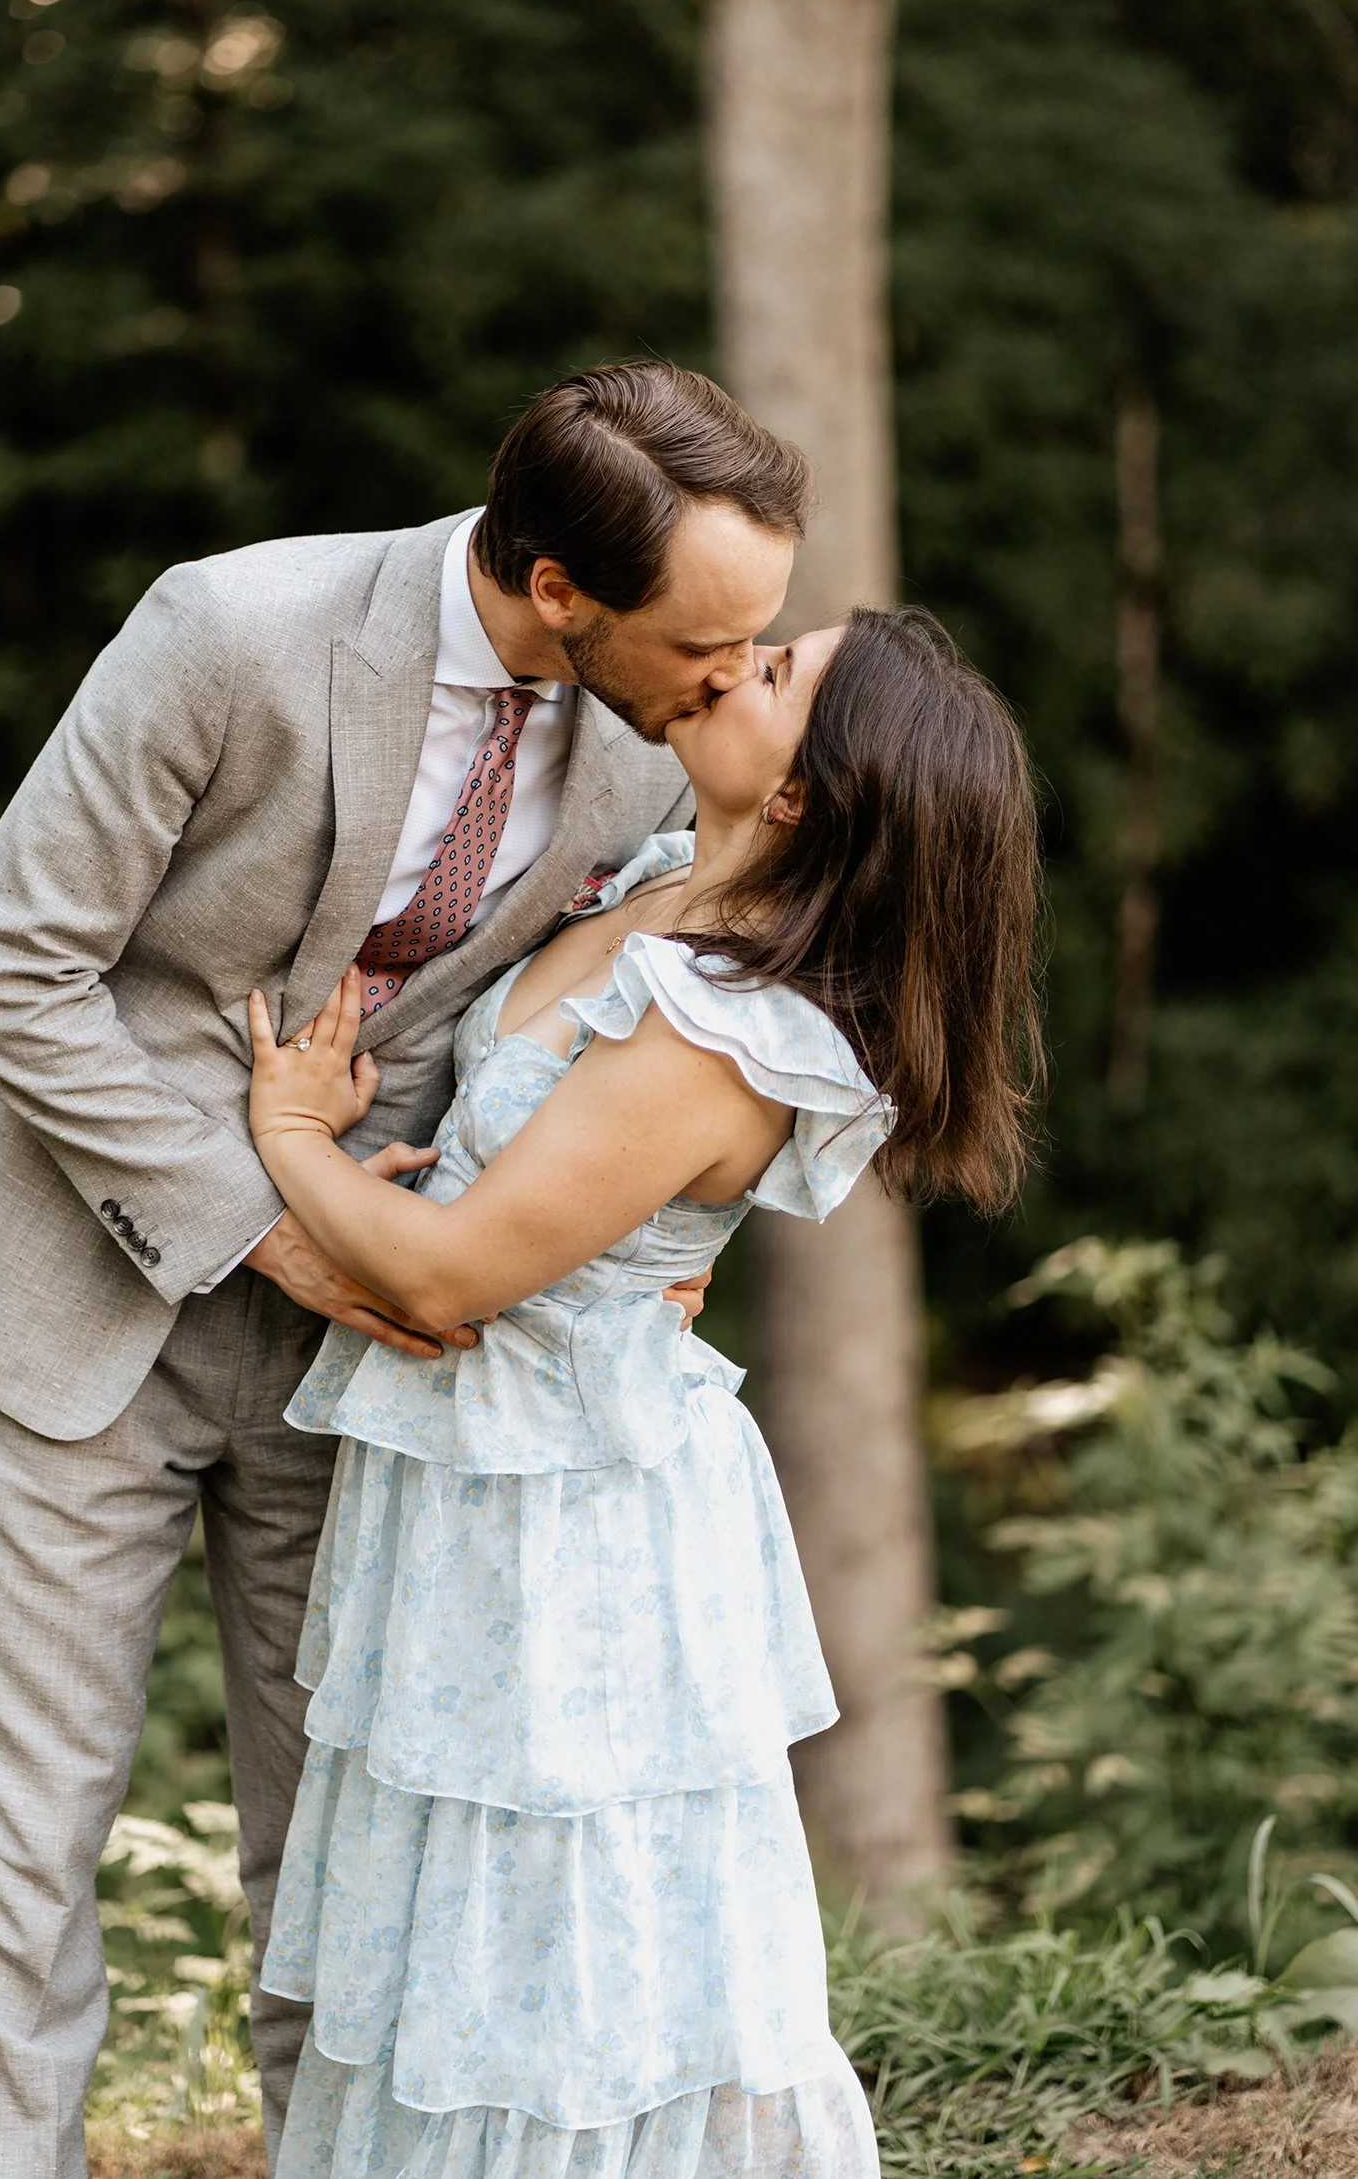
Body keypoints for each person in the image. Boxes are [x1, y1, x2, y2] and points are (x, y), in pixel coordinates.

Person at [0, 361, 816, 2179]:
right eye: (700, 642)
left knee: (341, 1844)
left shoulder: (653, 735)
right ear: (557, 587)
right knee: (23, 1847)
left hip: (392, 1348)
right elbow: (2, 969)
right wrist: (264, 1217)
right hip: (81, 1295)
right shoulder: (230, 629)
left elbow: (662, 1001)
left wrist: (656, 1232)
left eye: (755, 641)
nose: (728, 679)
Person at [243, 605, 1043, 2179]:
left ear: (808, 791)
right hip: (485, 1477)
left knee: (567, 1948)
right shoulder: (649, 880)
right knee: (469, 1931)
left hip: (573, 1518)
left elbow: (445, 1274)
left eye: (773, 675)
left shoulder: (726, 1028)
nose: (730, 658)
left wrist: (285, 1143)